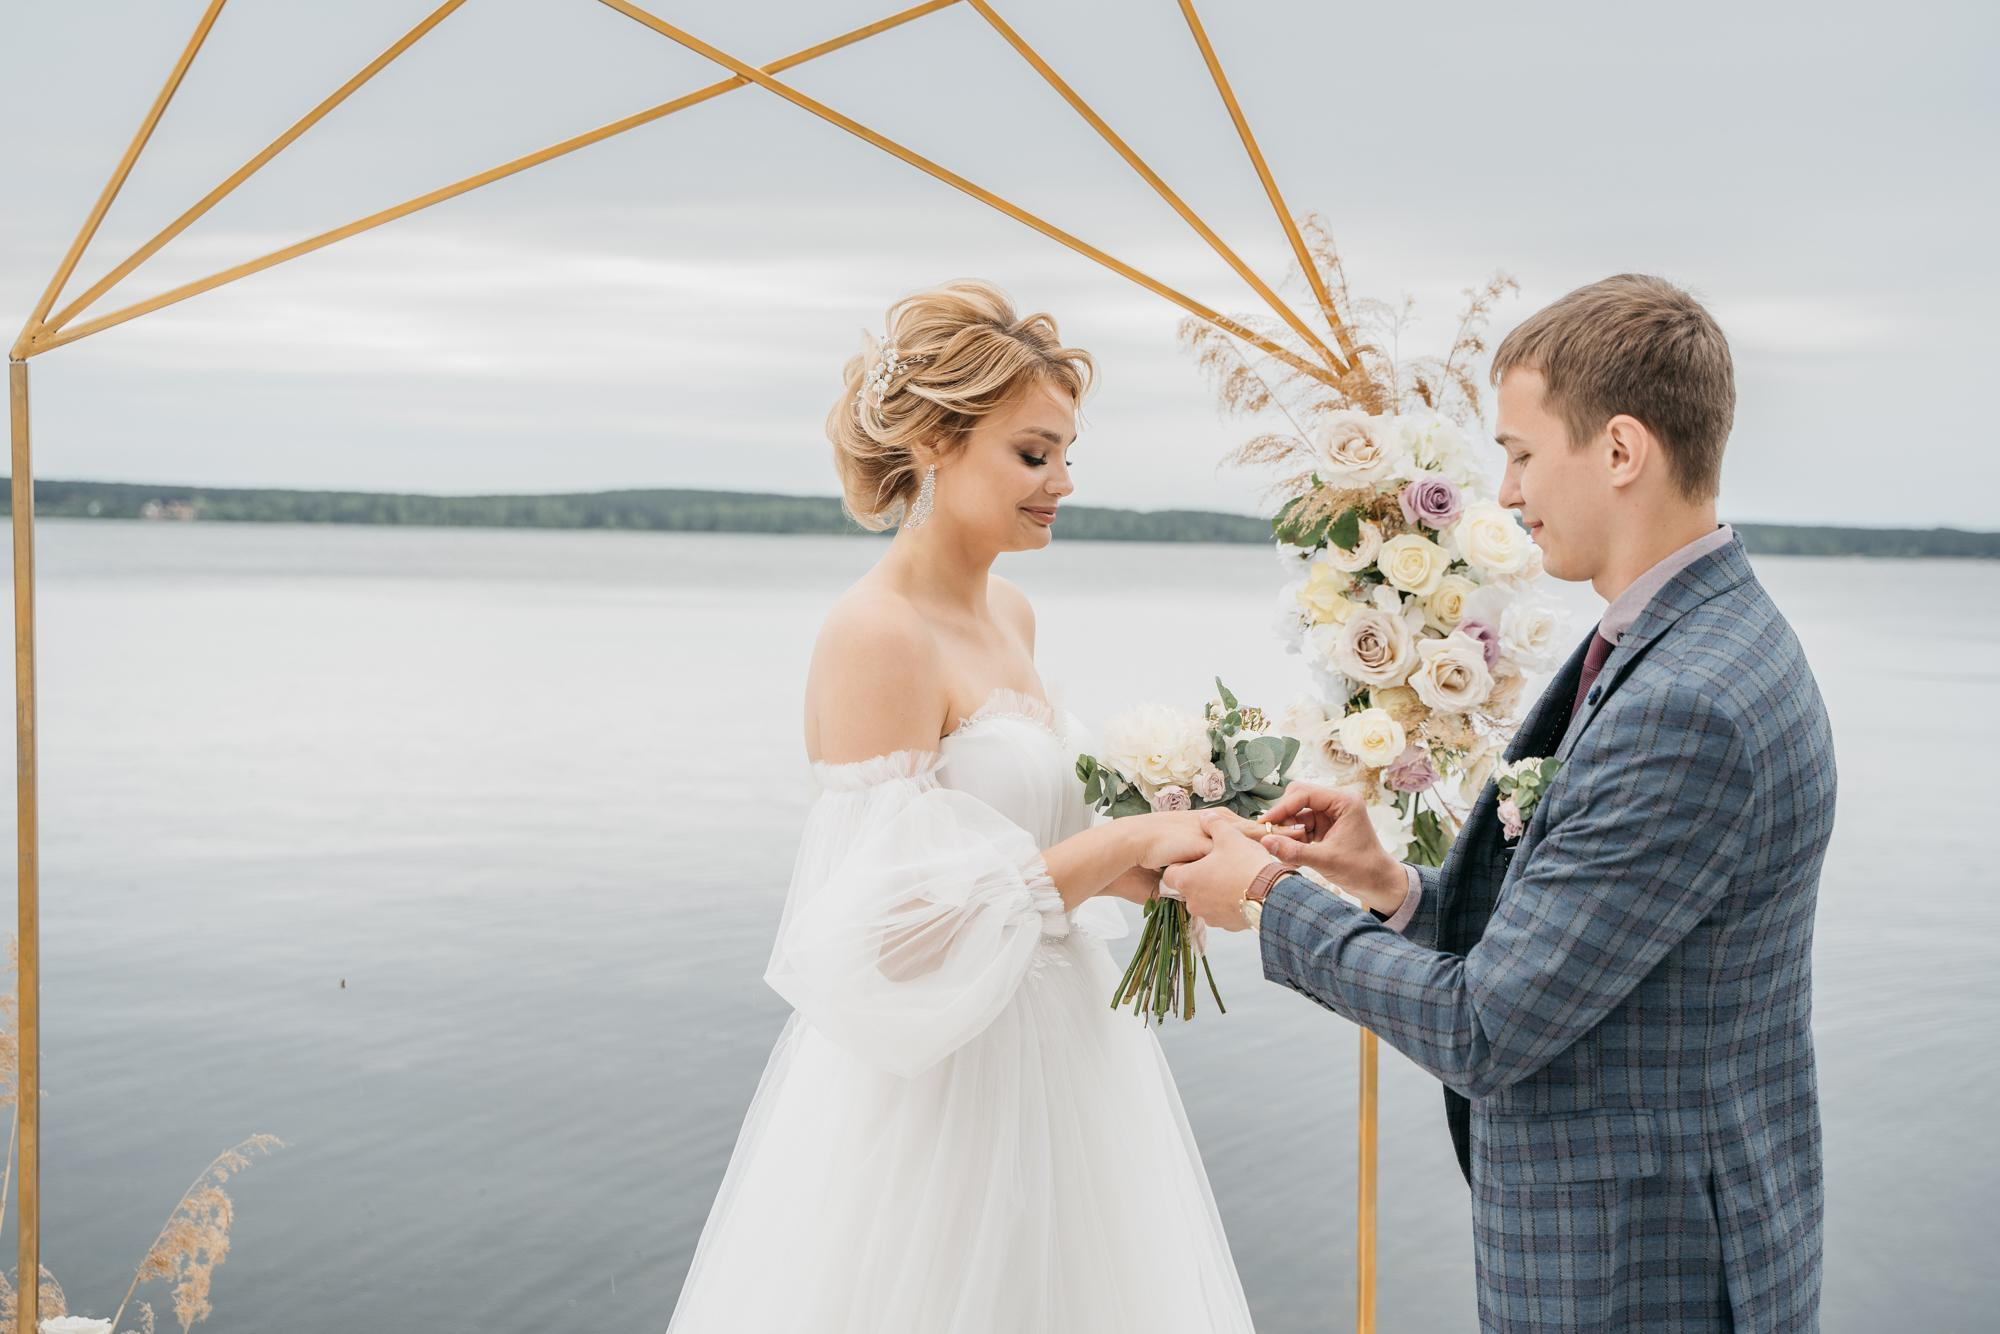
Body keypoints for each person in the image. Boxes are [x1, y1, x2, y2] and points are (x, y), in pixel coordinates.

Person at [1166, 275, 1836, 1332]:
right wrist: (1388, 885)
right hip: (1642, 1239)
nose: (1507, 492)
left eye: (1521, 452)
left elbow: (1485, 1026)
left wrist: (1264, 893)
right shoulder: (1683, 637)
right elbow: (1573, 943)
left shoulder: (1685, 701)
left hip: (1640, 1274)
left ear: (1619, 451)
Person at [667, 281, 1262, 1333]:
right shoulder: (877, 633)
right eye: (1034, 454)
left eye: (1068, 455)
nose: (1063, 482)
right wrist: (1116, 837)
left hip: (1067, 1052)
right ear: (935, 444)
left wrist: (1173, 856)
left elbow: (1021, 855)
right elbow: (883, 935)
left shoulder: (1010, 612)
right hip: (944, 1090)